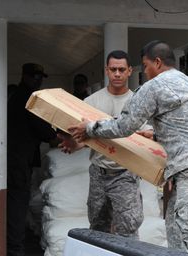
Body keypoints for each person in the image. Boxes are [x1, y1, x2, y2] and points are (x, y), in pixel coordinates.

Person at [67, 40, 188, 255]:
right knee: (175, 226)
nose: (145, 71)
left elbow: (123, 126)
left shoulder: (156, 85)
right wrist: (155, 134)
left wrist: (90, 128)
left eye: (145, 65)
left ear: (157, 62)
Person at [58, 50, 146, 239]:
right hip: (99, 172)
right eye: (113, 69)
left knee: (127, 230)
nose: (117, 74)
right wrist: (75, 144)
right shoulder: (91, 102)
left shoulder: (137, 103)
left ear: (130, 71)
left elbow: (144, 140)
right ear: (106, 70)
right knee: (97, 228)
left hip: (125, 174)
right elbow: (89, 139)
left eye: (121, 69)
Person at [7, 63, 57, 256]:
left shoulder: (17, 96)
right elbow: (43, 131)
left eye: (40, 77)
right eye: (35, 77)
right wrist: (59, 138)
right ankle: (15, 249)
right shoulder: (27, 99)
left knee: (15, 203)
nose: (38, 81)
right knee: (17, 204)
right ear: (25, 76)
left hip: (14, 159)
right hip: (18, 162)